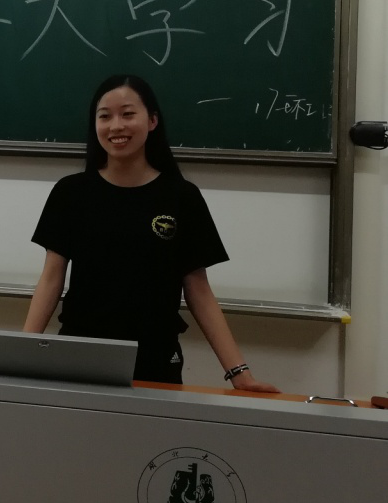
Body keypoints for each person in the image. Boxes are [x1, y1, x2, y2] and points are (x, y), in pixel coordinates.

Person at [23, 74, 278, 391]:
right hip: (81, 355)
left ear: (152, 120)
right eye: (105, 116)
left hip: (156, 359)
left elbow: (198, 290)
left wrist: (239, 373)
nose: (116, 126)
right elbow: (51, 280)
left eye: (128, 114)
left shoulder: (182, 197)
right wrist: (21, 355)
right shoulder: (71, 193)